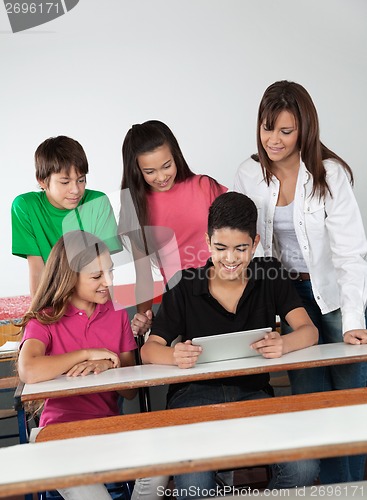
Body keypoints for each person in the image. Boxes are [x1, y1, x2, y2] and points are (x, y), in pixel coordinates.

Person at [140, 192, 320, 499]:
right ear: (208, 242)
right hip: (192, 399)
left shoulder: (269, 273)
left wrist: (284, 343)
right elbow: (149, 349)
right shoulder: (185, 285)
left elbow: (309, 331)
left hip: (254, 396)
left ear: (255, 243)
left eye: (241, 248)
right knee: (192, 486)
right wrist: (173, 354)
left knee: (304, 469)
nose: (230, 259)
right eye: (221, 248)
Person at [233, 80, 367, 483]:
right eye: (267, 128)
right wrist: (264, 308)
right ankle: (332, 491)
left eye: (285, 131)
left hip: (337, 296)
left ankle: (349, 490)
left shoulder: (332, 174)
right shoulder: (248, 173)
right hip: (288, 297)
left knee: (348, 405)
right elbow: (249, 249)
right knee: (312, 405)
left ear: (304, 130)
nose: (273, 140)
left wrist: (355, 319)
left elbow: (349, 252)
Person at [17, 230, 137, 500]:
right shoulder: (44, 319)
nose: (108, 281)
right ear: (70, 278)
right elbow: (29, 370)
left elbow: (130, 391)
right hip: (58, 434)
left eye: (110, 272)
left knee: (159, 473)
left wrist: (108, 364)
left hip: (108, 430)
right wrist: (86, 354)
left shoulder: (117, 314)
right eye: (96, 276)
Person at [119, 120, 227, 335]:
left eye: (167, 166)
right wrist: (144, 316)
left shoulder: (204, 187)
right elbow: (144, 276)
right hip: (181, 304)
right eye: (150, 171)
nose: (161, 177)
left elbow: (236, 240)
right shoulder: (136, 208)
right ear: (136, 170)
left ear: (176, 156)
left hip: (226, 292)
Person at [12, 136, 122, 297]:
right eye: (65, 182)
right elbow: (37, 269)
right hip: (53, 297)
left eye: (81, 180)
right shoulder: (25, 206)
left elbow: (101, 272)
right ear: (42, 181)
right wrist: (39, 313)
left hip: (92, 296)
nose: (76, 190)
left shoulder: (97, 202)